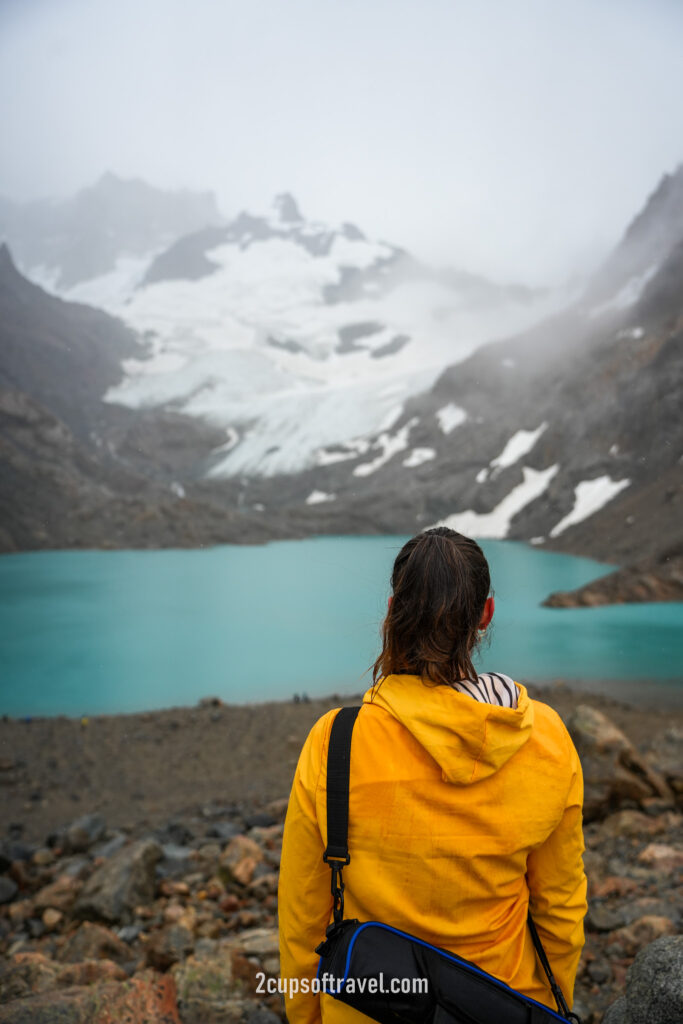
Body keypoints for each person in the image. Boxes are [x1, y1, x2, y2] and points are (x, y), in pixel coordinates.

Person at [278, 527, 587, 1024]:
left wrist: (305, 1016)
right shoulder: (545, 736)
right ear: (485, 615)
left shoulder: (335, 741)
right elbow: (560, 906)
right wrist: (549, 1007)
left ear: (392, 608)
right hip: (504, 1005)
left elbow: (302, 917)